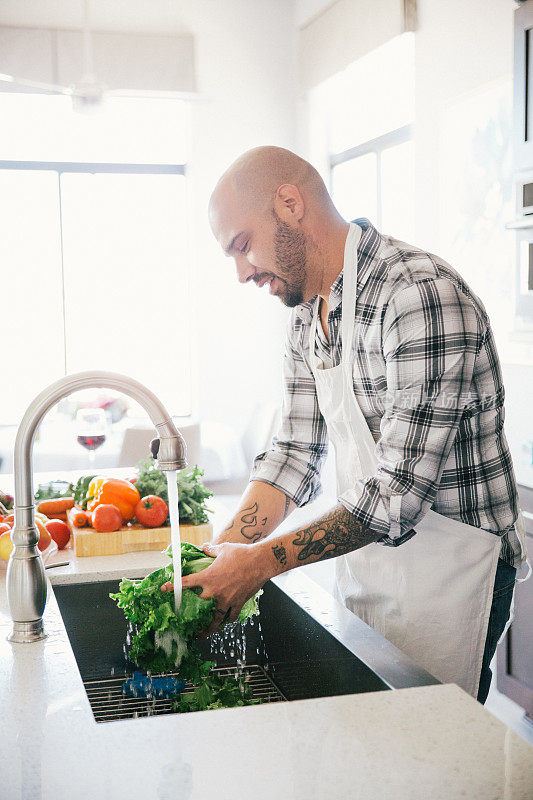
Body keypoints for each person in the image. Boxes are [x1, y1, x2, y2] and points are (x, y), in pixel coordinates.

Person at [162, 146, 528, 702]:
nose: (241, 272)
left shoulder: (416, 295)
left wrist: (259, 563)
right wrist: (219, 560)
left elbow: (397, 497)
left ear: (290, 204)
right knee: (373, 746)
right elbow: (294, 451)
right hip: (372, 562)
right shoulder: (309, 309)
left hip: (453, 571)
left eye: (243, 245)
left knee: (431, 763)